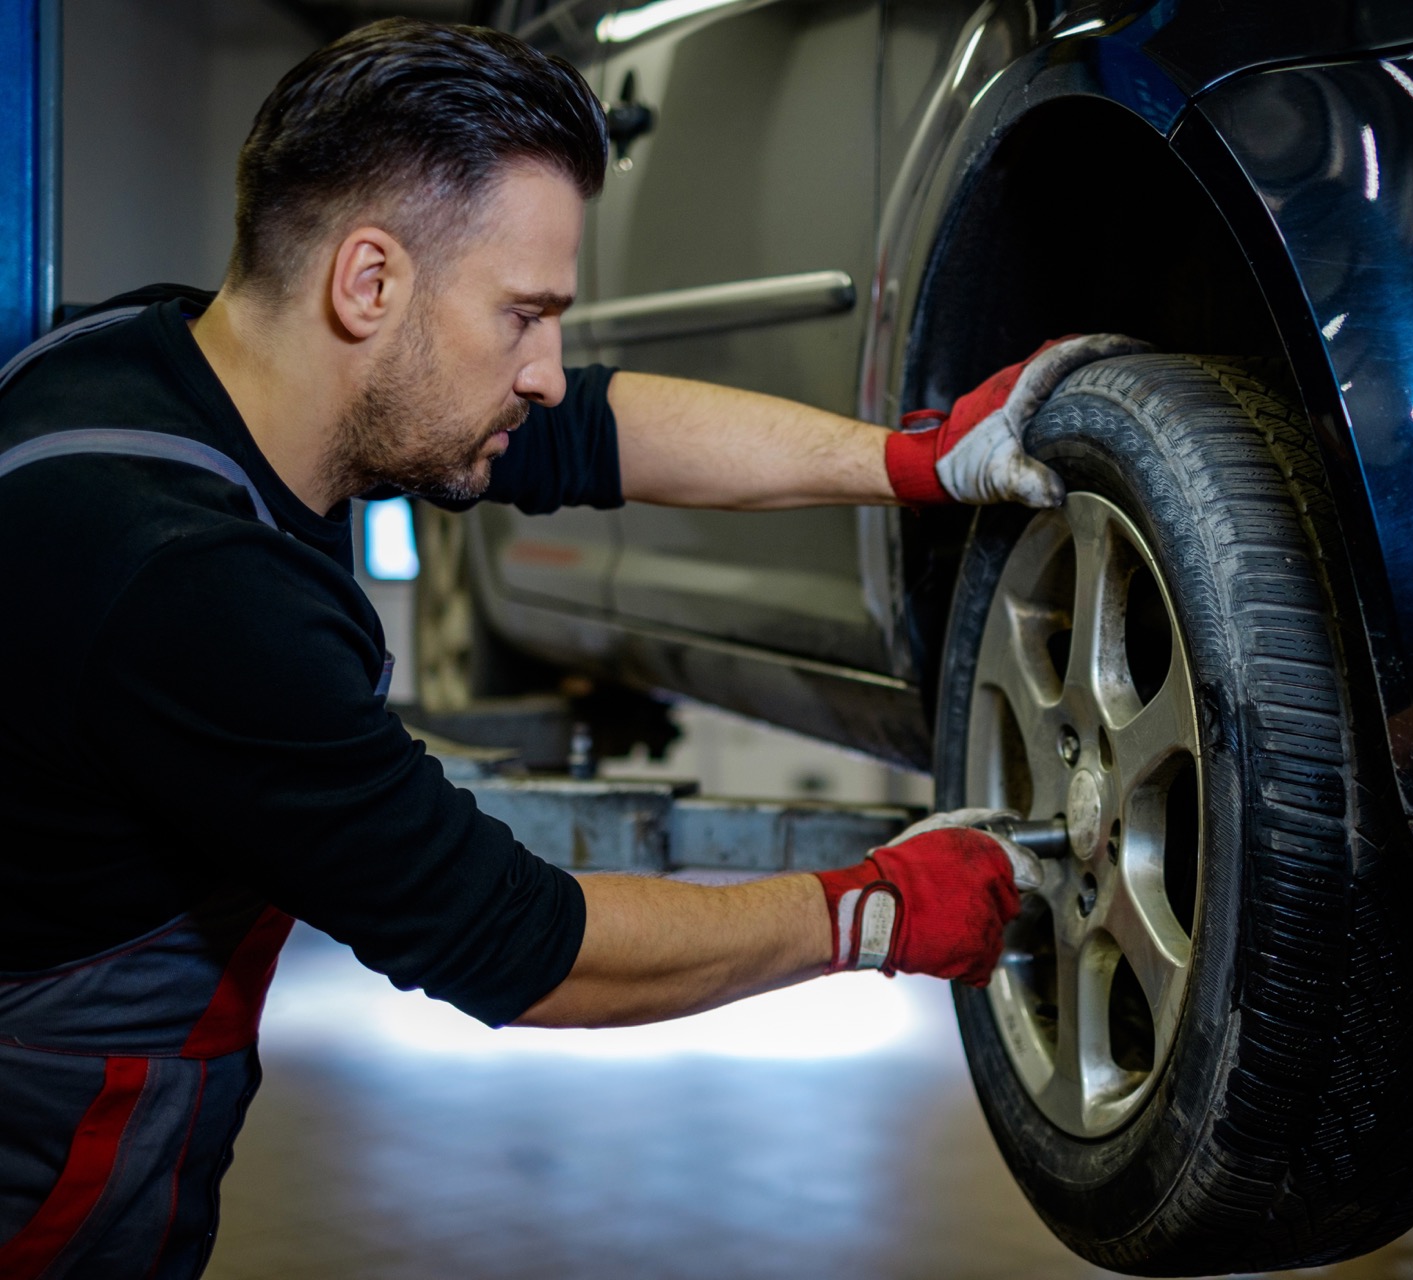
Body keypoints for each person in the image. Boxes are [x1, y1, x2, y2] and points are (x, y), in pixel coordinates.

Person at [0, 19, 1141, 1278]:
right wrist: (870, 914)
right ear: (366, 282)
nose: (548, 371)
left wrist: (906, 458)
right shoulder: (191, 588)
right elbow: (522, 945)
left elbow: (591, 432)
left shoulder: (144, 357)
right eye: (524, 316)